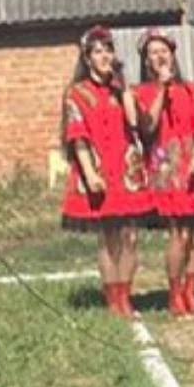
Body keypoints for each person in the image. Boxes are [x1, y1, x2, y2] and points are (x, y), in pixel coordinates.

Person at [61, 26, 153, 318]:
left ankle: (126, 294)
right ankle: (113, 298)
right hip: (98, 168)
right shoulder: (77, 93)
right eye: (98, 52)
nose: (104, 56)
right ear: (87, 59)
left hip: (126, 168)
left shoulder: (121, 88)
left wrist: (123, 87)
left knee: (130, 236)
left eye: (108, 50)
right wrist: (89, 174)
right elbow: (77, 136)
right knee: (108, 236)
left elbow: (135, 121)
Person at [134, 29, 194, 317]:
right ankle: (174, 293)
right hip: (166, 166)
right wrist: (161, 87)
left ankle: (190, 290)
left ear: (173, 55)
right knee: (178, 233)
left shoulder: (192, 89)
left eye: (164, 51)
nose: (160, 56)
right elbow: (147, 127)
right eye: (153, 52)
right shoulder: (141, 92)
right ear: (146, 60)